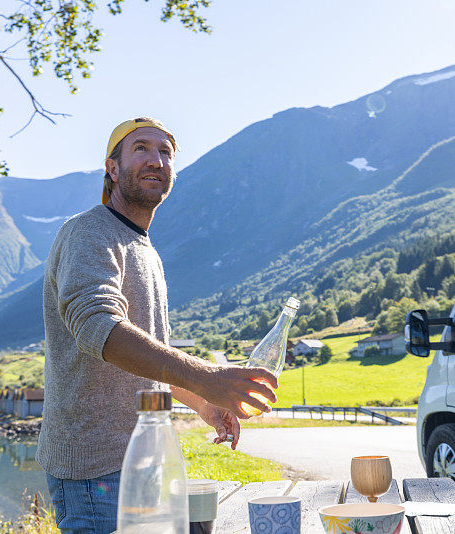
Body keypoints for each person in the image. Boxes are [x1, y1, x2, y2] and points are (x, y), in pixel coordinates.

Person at [36, 117, 278, 533]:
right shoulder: (88, 232)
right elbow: (98, 327)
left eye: (166, 152)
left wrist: (203, 401)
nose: (156, 159)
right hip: (95, 471)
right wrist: (207, 376)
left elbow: (149, 357)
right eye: (142, 148)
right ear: (112, 169)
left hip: (145, 460)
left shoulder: (144, 248)